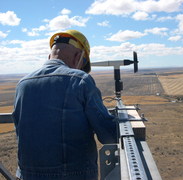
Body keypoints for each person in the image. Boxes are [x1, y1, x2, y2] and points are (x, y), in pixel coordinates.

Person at [13, 30, 117, 180]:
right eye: (83, 63)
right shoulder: (80, 80)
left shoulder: (22, 84)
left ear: (50, 55)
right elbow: (108, 135)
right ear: (77, 57)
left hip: (26, 175)